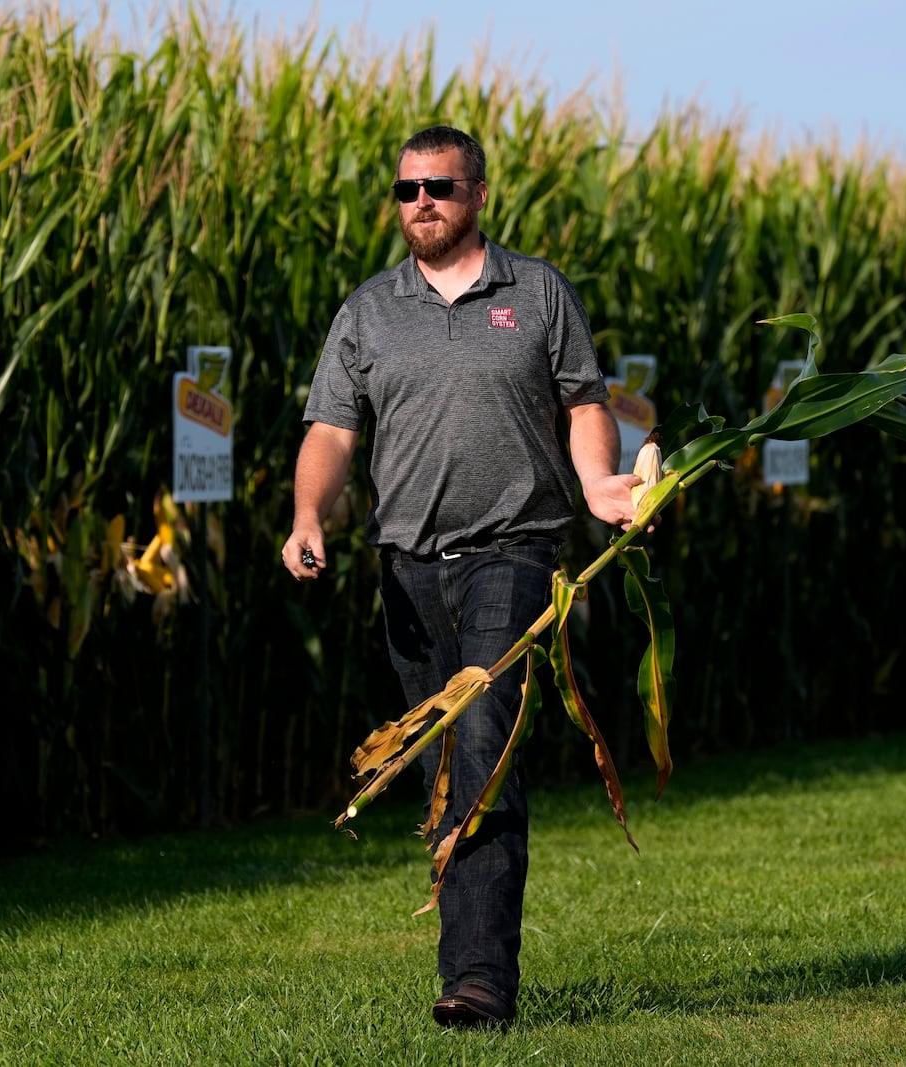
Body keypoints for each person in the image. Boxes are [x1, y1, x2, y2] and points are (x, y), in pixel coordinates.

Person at [281, 125, 639, 1029]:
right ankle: (471, 957)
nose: (421, 202)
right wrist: (308, 515)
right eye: (406, 189)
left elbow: (584, 405)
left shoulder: (538, 292)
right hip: (405, 567)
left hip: (513, 552)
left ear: (478, 193)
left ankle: (477, 979)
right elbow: (330, 433)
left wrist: (600, 482)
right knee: (445, 764)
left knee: (482, 743)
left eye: (439, 185)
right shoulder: (370, 310)